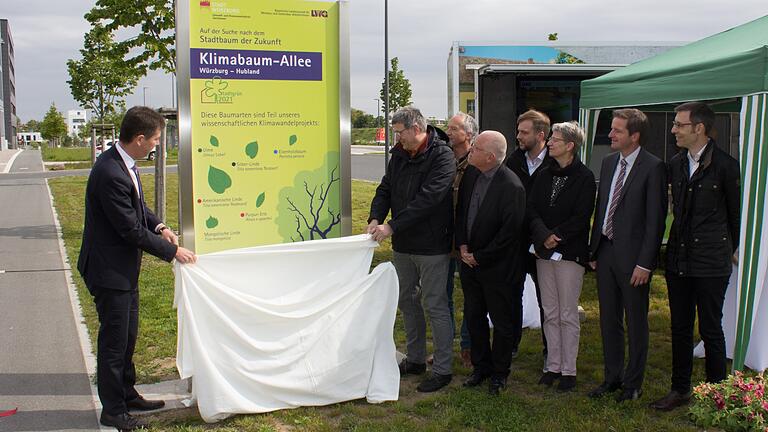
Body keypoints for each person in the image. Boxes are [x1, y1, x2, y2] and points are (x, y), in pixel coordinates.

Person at [77, 106, 197, 431]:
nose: (158, 145)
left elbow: (139, 208)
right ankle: (114, 411)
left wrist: (159, 227)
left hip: (122, 271)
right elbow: (129, 229)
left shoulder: (124, 164)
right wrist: (173, 252)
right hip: (108, 272)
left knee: (127, 337)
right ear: (140, 138)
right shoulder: (110, 173)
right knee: (114, 343)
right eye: (156, 139)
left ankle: (127, 394)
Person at [650, 102, 740, 411]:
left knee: (711, 329)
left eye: (679, 124)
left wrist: (732, 250)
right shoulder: (675, 163)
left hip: (712, 261)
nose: (673, 129)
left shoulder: (726, 166)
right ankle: (680, 389)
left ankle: (718, 397)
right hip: (678, 259)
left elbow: (736, 215)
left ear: (698, 128)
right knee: (679, 327)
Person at [367, 106, 456, 392]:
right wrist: (375, 217)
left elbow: (429, 199)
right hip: (403, 245)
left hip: (431, 246)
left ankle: (443, 369)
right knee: (407, 300)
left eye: (400, 133)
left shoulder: (442, 156)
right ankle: (415, 359)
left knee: (435, 305)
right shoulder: (400, 155)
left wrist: (392, 226)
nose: (397, 139)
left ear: (417, 129)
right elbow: (385, 188)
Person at [587, 108, 667, 402]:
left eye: (617, 130)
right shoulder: (608, 163)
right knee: (609, 320)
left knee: (635, 321)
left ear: (634, 136)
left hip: (635, 260)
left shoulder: (653, 167)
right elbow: (603, 207)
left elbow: (655, 221)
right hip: (606, 252)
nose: (610, 134)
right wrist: (594, 249)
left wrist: (645, 263)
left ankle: (633, 383)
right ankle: (612, 378)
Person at [455, 131, 526, 395]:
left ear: (491, 157)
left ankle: (499, 373)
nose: (470, 150)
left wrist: (480, 256)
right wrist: (462, 244)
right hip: (469, 263)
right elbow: (462, 211)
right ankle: (481, 367)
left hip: (498, 268)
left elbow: (510, 234)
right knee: (474, 318)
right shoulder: (472, 173)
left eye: (476, 148)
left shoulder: (511, 187)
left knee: (502, 322)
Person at [526, 121, 596, 392]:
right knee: (550, 311)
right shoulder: (543, 174)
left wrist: (556, 235)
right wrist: (543, 234)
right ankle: (552, 365)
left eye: (555, 139)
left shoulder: (584, 177)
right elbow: (531, 208)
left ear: (570, 145)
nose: (550, 142)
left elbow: (582, 216)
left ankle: (569, 370)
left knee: (567, 313)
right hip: (544, 252)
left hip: (569, 253)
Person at [505, 109, 555, 360]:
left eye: (524, 132)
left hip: (544, 242)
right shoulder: (513, 161)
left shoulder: (556, 163)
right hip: (515, 241)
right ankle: (510, 345)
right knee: (511, 295)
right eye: (518, 131)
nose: (518, 136)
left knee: (547, 299)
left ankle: (551, 350)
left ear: (541, 134)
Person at [445, 111, 477, 368]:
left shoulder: (476, 163)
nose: (448, 131)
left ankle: (468, 346)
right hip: (442, 241)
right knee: (441, 297)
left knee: (471, 296)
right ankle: (445, 347)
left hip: (467, 241)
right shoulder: (441, 159)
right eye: (448, 127)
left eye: (454, 128)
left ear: (468, 134)